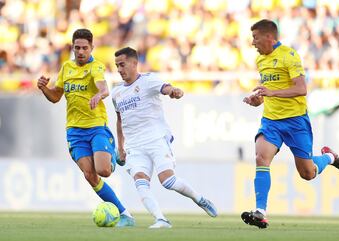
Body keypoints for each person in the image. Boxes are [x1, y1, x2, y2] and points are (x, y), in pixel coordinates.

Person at [241, 19, 339, 229]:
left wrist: (272, 92)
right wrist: (258, 99)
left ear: (269, 37)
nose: (252, 43)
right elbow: (268, 88)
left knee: (307, 173)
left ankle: (329, 157)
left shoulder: (290, 56)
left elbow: (301, 89)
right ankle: (260, 212)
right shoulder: (261, 60)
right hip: (271, 121)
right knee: (261, 157)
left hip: (295, 121)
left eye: (255, 37)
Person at [37, 29, 134, 227]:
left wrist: (99, 95)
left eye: (85, 48)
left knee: (104, 171)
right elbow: (56, 97)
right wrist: (44, 88)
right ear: (73, 48)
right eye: (77, 48)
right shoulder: (66, 68)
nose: (81, 52)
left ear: (91, 48)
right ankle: (125, 214)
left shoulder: (95, 67)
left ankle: (111, 155)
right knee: (90, 175)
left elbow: (103, 88)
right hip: (74, 131)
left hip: (96, 126)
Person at [111, 47, 218, 228]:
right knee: (141, 184)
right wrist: (121, 148)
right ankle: (161, 219)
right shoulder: (116, 93)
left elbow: (165, 88)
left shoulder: (148, 80)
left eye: (122, 65)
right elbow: (120, 121)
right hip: (134, 146)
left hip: (156, 138)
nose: (119, 70)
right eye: (117, 66)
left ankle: (199, 199)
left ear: (134, 63)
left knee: (168, 181)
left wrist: (174, 91)